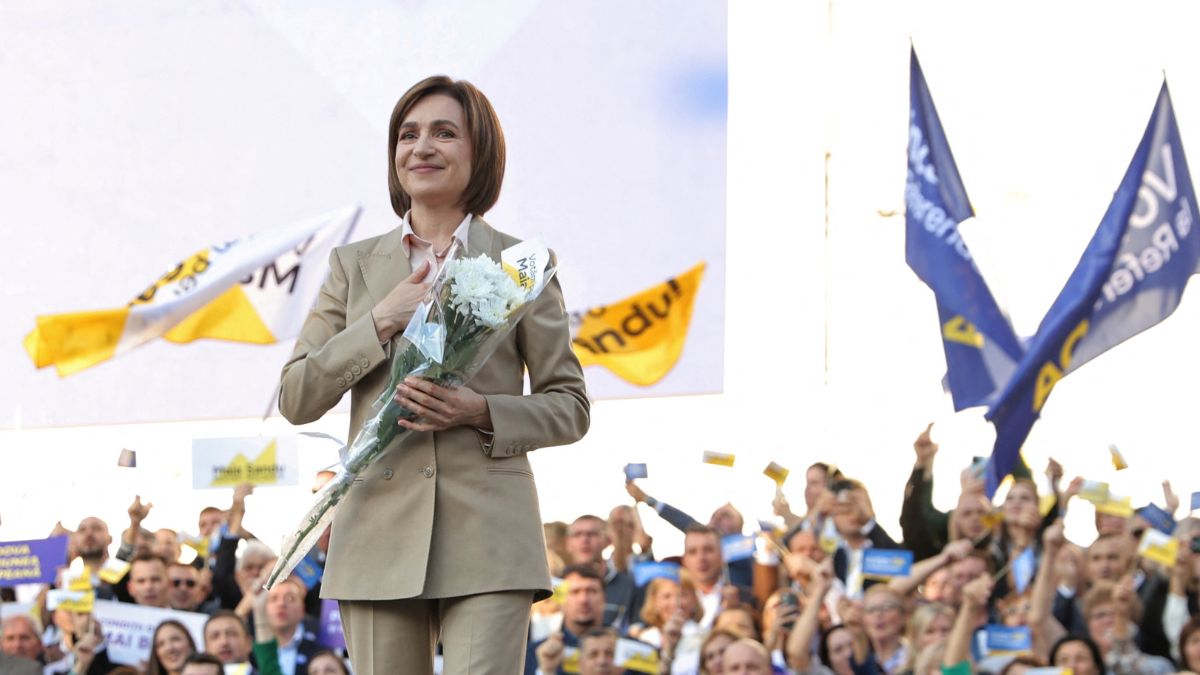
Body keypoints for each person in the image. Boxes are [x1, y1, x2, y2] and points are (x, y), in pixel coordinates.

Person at [277, 74, 590, 675]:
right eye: (407, 134)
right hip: (376, 528)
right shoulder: (352, 266)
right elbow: (296, 396)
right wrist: (379, 321)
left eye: (445, 133)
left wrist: (482, 411)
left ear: (481, 154)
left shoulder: (522, 265)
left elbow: (570, 405)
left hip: (492, 534)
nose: (421, 147)